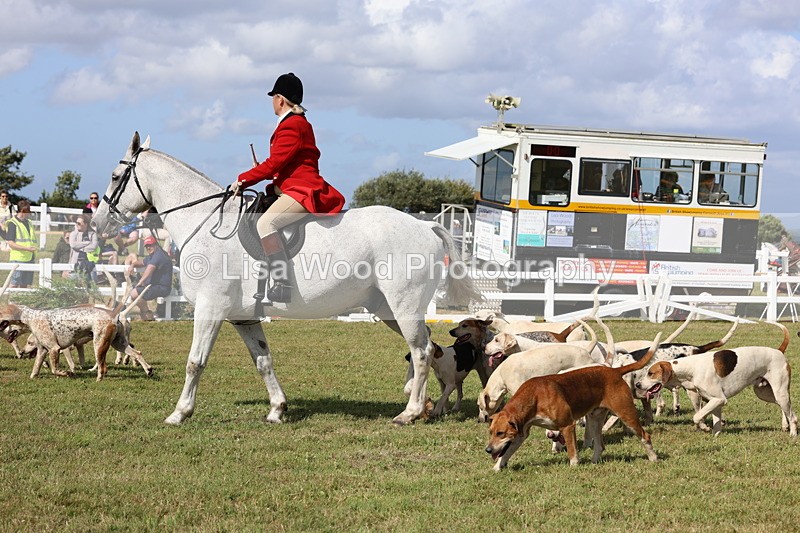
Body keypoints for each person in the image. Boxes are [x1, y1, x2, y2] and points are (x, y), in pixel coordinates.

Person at [231, 72, 345, 304]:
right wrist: (269, 173)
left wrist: (242, 180)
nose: (272, 101)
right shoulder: (294, 123)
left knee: (267, 222)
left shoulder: (291, 125)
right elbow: (285, 164)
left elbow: (275, 163)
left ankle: (283, 284)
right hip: (290, 186)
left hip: (303, 190)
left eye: (273, 97)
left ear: (280, 99)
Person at [125, 235, 173, 320]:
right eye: (146, 246)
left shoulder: (159, 255)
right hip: (154, 286)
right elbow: (141, 262)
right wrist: (132, 265)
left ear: (156, 245)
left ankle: (147, 315)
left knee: (134, 293)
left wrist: (140, 282)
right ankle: (147, 314)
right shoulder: (153, 255)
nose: (148, 248)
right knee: (134, 291)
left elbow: (150, 268)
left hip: (162, 287)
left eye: (150, 245)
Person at [6, 200, 37, 288]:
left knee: (24, 283)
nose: (29, 214)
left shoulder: (29, 223)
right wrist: (27, 249)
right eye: (28, 211)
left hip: (30, 257)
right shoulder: (12, 223)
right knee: (14, 283)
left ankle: (20, 301)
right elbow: (11, 243)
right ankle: (11, 301)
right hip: (18, 258)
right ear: (23, 211)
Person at [69, 214, 99, 284]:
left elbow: (94, 246)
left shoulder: (92, 234)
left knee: (91, 285)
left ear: (85, 224)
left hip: (90, 264)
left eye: (79, 223)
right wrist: (87, 243)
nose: (76, 224)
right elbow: (73, 245)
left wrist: (80, 248)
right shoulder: (73, 234)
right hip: (75, 263)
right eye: (76, 223)